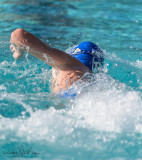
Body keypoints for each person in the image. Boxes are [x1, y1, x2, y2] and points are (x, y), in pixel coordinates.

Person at [10, 28, 104, 96]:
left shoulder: (69, 64)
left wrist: (18, 50)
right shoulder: (93, 80)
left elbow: (18, 34)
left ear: (73, 55)